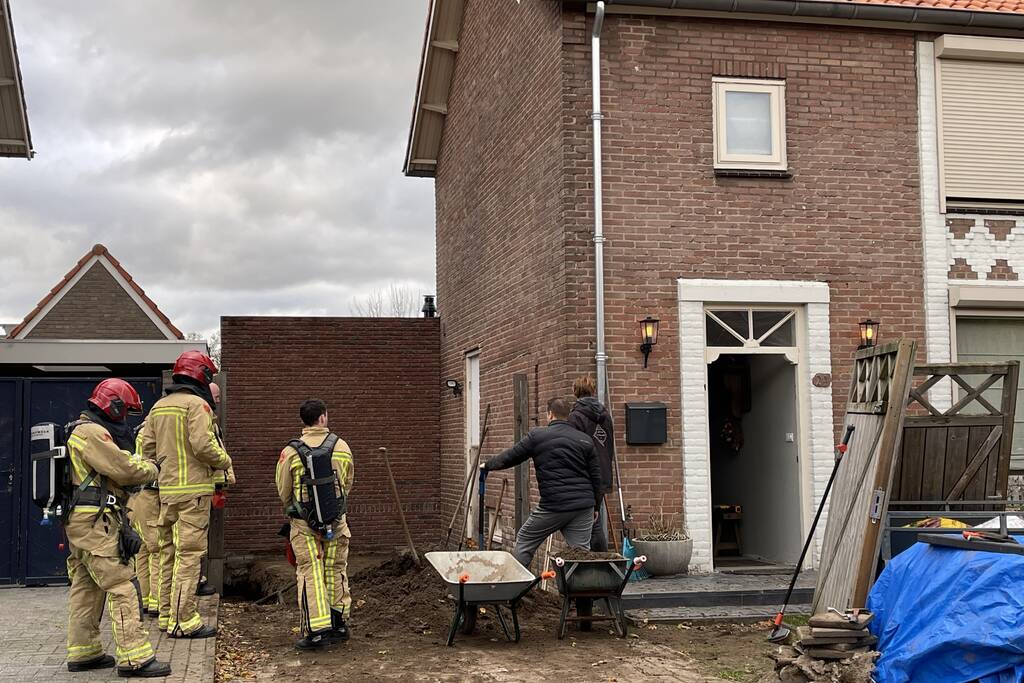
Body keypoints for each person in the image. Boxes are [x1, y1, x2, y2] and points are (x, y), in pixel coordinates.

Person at [65, 379, 171, 678]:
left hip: (82, 523)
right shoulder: (92, 433)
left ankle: (83, 652)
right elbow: (123, 469)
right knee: (122, 586)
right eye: (124, 411)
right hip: (95, 523)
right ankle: (135, 658)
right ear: (112, 406)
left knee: (86, 587)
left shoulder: (80, 430)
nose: (124, 418)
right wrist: (151, 467)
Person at [142, 350, 232, 638]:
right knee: (190, 555)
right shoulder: (198, 406)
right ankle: (184, 621)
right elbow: (204, 445)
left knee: (167, 555)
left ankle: (167, 615)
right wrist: (224, 461)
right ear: (202, 377)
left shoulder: (159, 407)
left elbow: (146, 450)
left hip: (167, 494)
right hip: (193, 493)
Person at [480, 397, 602, 569]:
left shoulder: (538, 436)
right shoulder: (584, 440)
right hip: (583, 506)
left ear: (550, 414)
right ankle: (581, 594)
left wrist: (488, 465)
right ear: (567, 416)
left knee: (525, 541)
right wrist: (596, 506)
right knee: (580, 553)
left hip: (553, 505)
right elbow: (596, 478)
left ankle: (515, 588)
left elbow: (512, 456)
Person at [276, 398, 355, 649]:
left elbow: (283, 489)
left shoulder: (290, 452)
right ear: (323, 418)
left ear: (304, 421)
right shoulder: (341, 446)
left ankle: (317, 632)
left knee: (310, 572)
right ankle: (339, 624)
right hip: (337, 523)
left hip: (303, 525)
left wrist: (295, 510)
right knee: (336, 569)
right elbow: (347, 482)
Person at [567, 375, 616, 552]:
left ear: (575, 392)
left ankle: (598, 563)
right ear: (593, 391)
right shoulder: (605, 416)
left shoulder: (575, 417)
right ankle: (601, 562)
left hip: (585, 475)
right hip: (603, 473)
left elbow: (574, 448)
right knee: (594, 518)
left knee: (590, 523)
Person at [196, 381, 234, 598]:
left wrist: (223, 482)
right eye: (216, 396)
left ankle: (197, 580)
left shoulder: (211, 421)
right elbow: (209, 451)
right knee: (191, 545)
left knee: (197, 540)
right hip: (194, 491)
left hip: (208, 487)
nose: (218, 400)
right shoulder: (201, 419)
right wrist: (225, 463)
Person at [128, 421, 161, 616]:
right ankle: (156, 602)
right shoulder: (150, 434)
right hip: (149, 497)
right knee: (156, 549)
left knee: (142, 552)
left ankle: (147, 599)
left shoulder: (139, 432)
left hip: (137, 499)